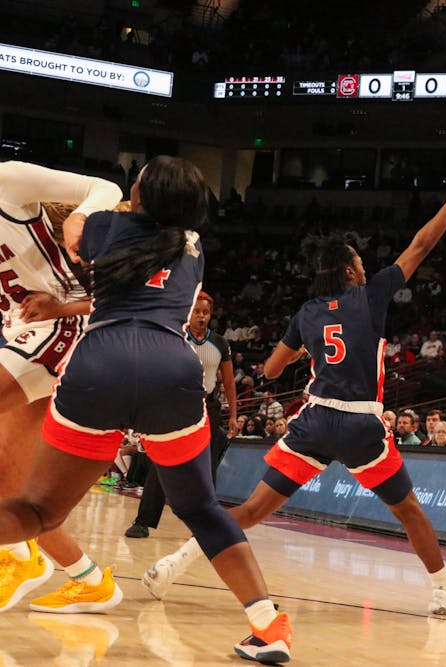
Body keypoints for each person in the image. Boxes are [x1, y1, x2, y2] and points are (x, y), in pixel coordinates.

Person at [141, 162, 446, 617]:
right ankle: (445, 592)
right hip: (359, 422)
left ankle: (173, 564)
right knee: (411, 513)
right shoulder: (373, 294)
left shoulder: (307, 312)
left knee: (252, 510)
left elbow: (270, 369)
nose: (365, 267)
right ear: (349, 270)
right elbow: (421, 244)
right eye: (359, 262)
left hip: (315, 421)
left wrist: (306, 351)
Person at [0, 156, 291, 662]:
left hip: (100, 367)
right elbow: (130, 288)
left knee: (38, 510)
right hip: (171, 372)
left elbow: (77, 236)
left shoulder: (106, 226)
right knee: (200, 508)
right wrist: (65, 300)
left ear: (138, 196)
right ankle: (269, 624)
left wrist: (75, 232)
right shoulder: (193, 247)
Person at [0, 161, 124, 615]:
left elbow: (106, 186)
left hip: (62, 323)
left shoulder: (7, 179)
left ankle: (16, 555)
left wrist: (79, 217)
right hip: (20, 335)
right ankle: (89, 580)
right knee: (11, 489)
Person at [125, 290, 239, 539]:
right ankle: (143, 521)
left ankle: (207, 526)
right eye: (197, 311)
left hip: (208, 407)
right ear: (189, 313)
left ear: (211, 315)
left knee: (207, 470)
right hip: (173, 404)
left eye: (206, 312)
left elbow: (229, 384)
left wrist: (233, 414)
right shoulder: (174, 336)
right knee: (161, 463)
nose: (201, 316)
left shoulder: (220, 343)